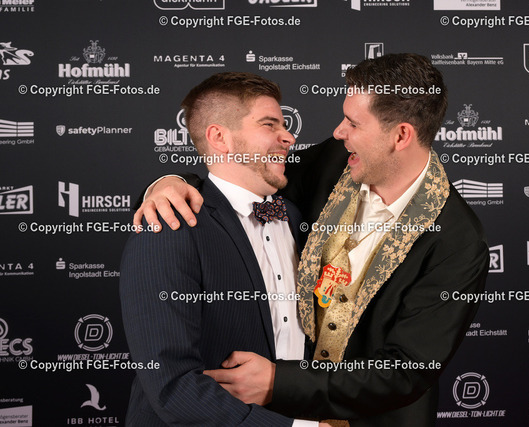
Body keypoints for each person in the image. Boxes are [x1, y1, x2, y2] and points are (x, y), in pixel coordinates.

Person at [136, 53, 489, 426]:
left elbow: (406, 371)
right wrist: (170, 183)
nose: (338, 132)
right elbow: (246, 174)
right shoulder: (337, 160)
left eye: (353, 123)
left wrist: (278, 382)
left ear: (401, 135)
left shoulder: (459, 241)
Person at [120, 71, 325, 426]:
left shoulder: (293, 215)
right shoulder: (169, 225)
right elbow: (172, 387)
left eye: (284, 124)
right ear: (219, 137)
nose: (289, 137)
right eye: (269, 124)